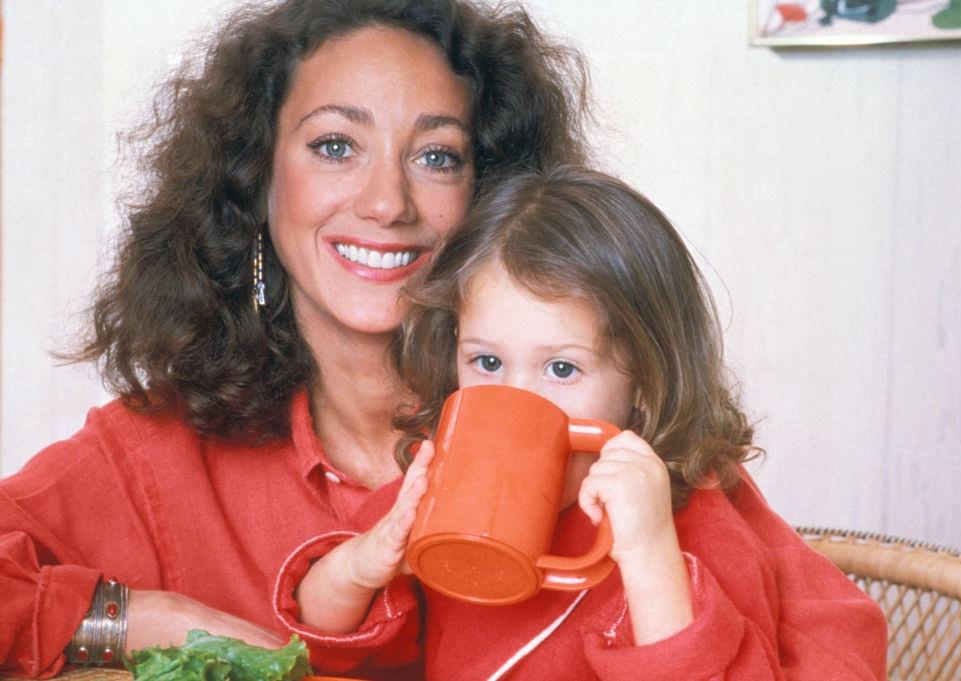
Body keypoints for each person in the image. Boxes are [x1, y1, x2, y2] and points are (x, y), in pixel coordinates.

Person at [0, 0, 589, 678]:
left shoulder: (590, 421)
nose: (387, 202)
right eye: (336, 146)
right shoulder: (155, 457)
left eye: (437, 156)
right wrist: (145, 622)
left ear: (490, 194)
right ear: (255, 179)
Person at [354, 165, 884, 679]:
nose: (516, 397)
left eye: (562, 368)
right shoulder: (447, 484)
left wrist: (651, 551)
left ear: (644, 388)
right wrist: (358, 568)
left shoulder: (698, 526)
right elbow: (340, 626)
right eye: (487, 362)